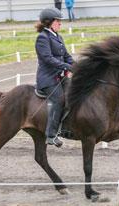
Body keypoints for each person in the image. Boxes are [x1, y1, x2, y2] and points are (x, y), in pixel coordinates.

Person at [35, 8, 74, 147]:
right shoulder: (42, 38)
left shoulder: (58, 36)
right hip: (48, 79)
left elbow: (67, 56)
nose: (60, 24)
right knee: (59, 100)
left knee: (74, 96)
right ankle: (51, 135)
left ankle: (65, 128)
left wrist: (76, 65)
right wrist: (66, 67)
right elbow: (48, 59)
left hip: (60, 76)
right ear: (49, 22)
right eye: (58, 21)